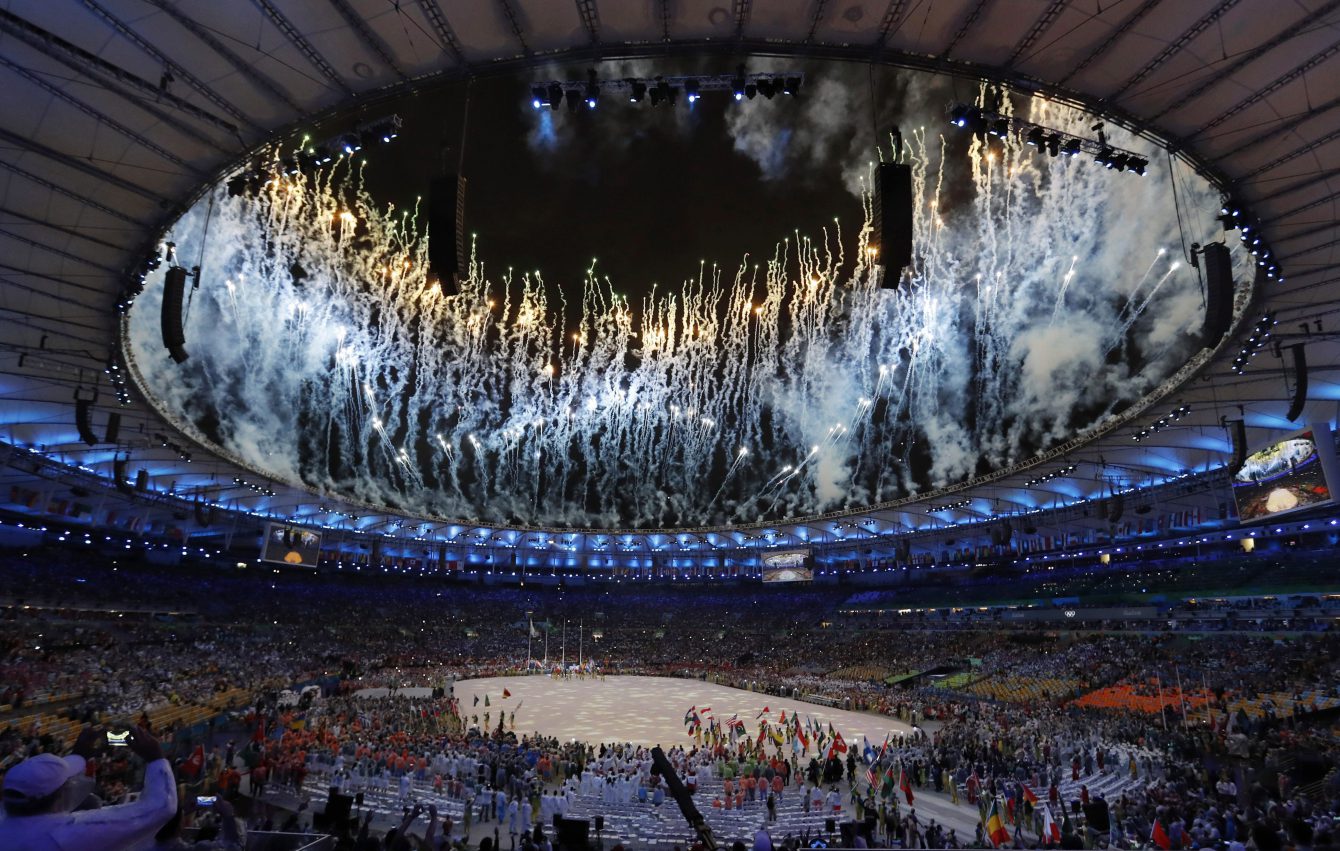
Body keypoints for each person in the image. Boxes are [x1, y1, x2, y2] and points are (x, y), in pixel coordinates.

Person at [0, 725, 177, 851]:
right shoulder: (66, 836)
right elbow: (161, 807)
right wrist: (156, 758)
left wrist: (79, 757)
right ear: (58, 795)